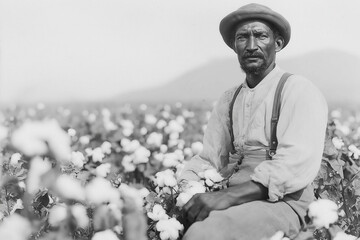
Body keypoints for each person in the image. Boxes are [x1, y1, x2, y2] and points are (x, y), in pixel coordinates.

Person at [179, 3, 328, 240]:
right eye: (242, 38)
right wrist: (186, 188)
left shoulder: (298, 90)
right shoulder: (230, 99)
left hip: (282, 201)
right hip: (235, 195)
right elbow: (210, 157)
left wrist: (224, 197)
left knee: (204, 234)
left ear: (277, 43)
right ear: (234, 46)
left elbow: (293, 165)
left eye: (260, 36)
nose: (251, 46)